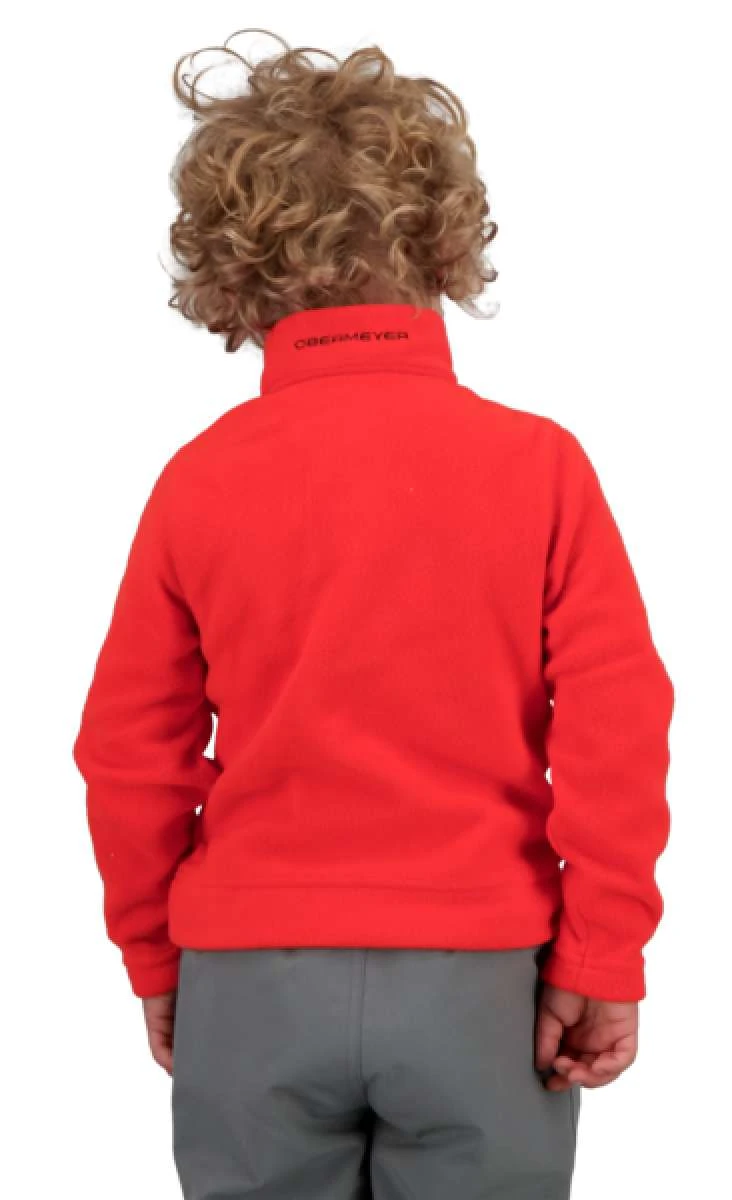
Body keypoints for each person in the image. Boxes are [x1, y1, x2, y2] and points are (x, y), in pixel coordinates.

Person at [72, 28, 674, 1200]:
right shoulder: (540, 468)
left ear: (230, 263)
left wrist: (154, 950)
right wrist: (602, 951)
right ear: (446, 234)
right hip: (482, 982)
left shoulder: (199, 481)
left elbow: (128, 752)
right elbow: (617, 724)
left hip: (250, 977)